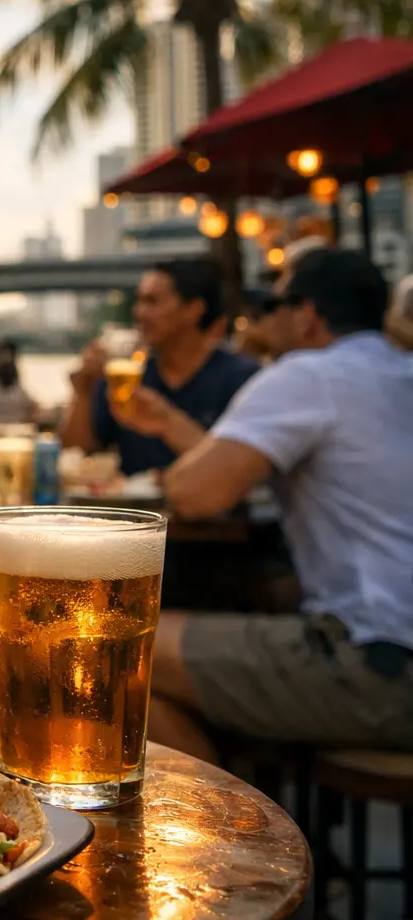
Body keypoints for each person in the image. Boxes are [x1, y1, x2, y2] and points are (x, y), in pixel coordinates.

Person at [149, 250, 413, 760]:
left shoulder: (310, 374)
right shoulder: (398, 370)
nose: (264, 316)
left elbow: (194, 493)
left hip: (382, 663)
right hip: (388, 648)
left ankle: (239, 834)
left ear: (308, 315)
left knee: (110, 647)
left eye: (274, 303)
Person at [61, 258, 258, 474]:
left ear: (193, 310)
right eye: (139, 301)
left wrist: (167, 422)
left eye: (151, 302)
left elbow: (239, 472)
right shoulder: (127, 376)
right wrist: (82, 393)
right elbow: (76, 456)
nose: (138, 312)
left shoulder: (242, 379)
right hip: (136, 507)